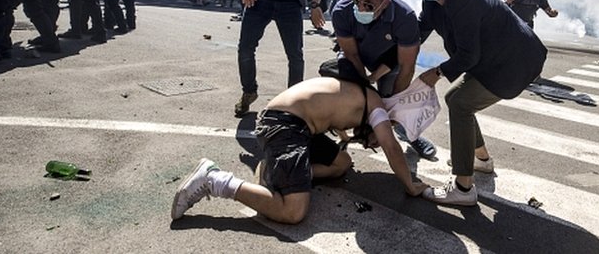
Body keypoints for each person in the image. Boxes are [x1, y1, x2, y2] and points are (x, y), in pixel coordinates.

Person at [171, 76, 429, 224]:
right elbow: (392, 148)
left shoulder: (362, 96)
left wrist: (348, 136)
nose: (382, 135)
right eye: (392, 125)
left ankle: (276, 172)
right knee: (292, 212)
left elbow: (331, 114)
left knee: (341, 163)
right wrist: (410, 185)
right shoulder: (378, 109)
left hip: (296, 125)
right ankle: (215, 180)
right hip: (284, 125)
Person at [416, 0, 547, 206]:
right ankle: (482, 161)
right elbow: (419, 31)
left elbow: (468, 55)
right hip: (492, 58)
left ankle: (463, 188)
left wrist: (436, 73)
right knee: (454, 97)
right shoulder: (432, 1)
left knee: (461, 104)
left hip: (514, 62)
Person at [324, 0, 438, 158]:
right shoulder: (342, 10)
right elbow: (351, 54)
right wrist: (365, 87)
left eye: (368, 5)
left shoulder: (405, 17)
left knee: (392, 98)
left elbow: (406, 68)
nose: (360, 7)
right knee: (348, 95)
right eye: (357, 0)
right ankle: (345, 134)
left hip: (388, 60)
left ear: (385, 3)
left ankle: (409, 134)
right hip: (356, 55)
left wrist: (394, 105)